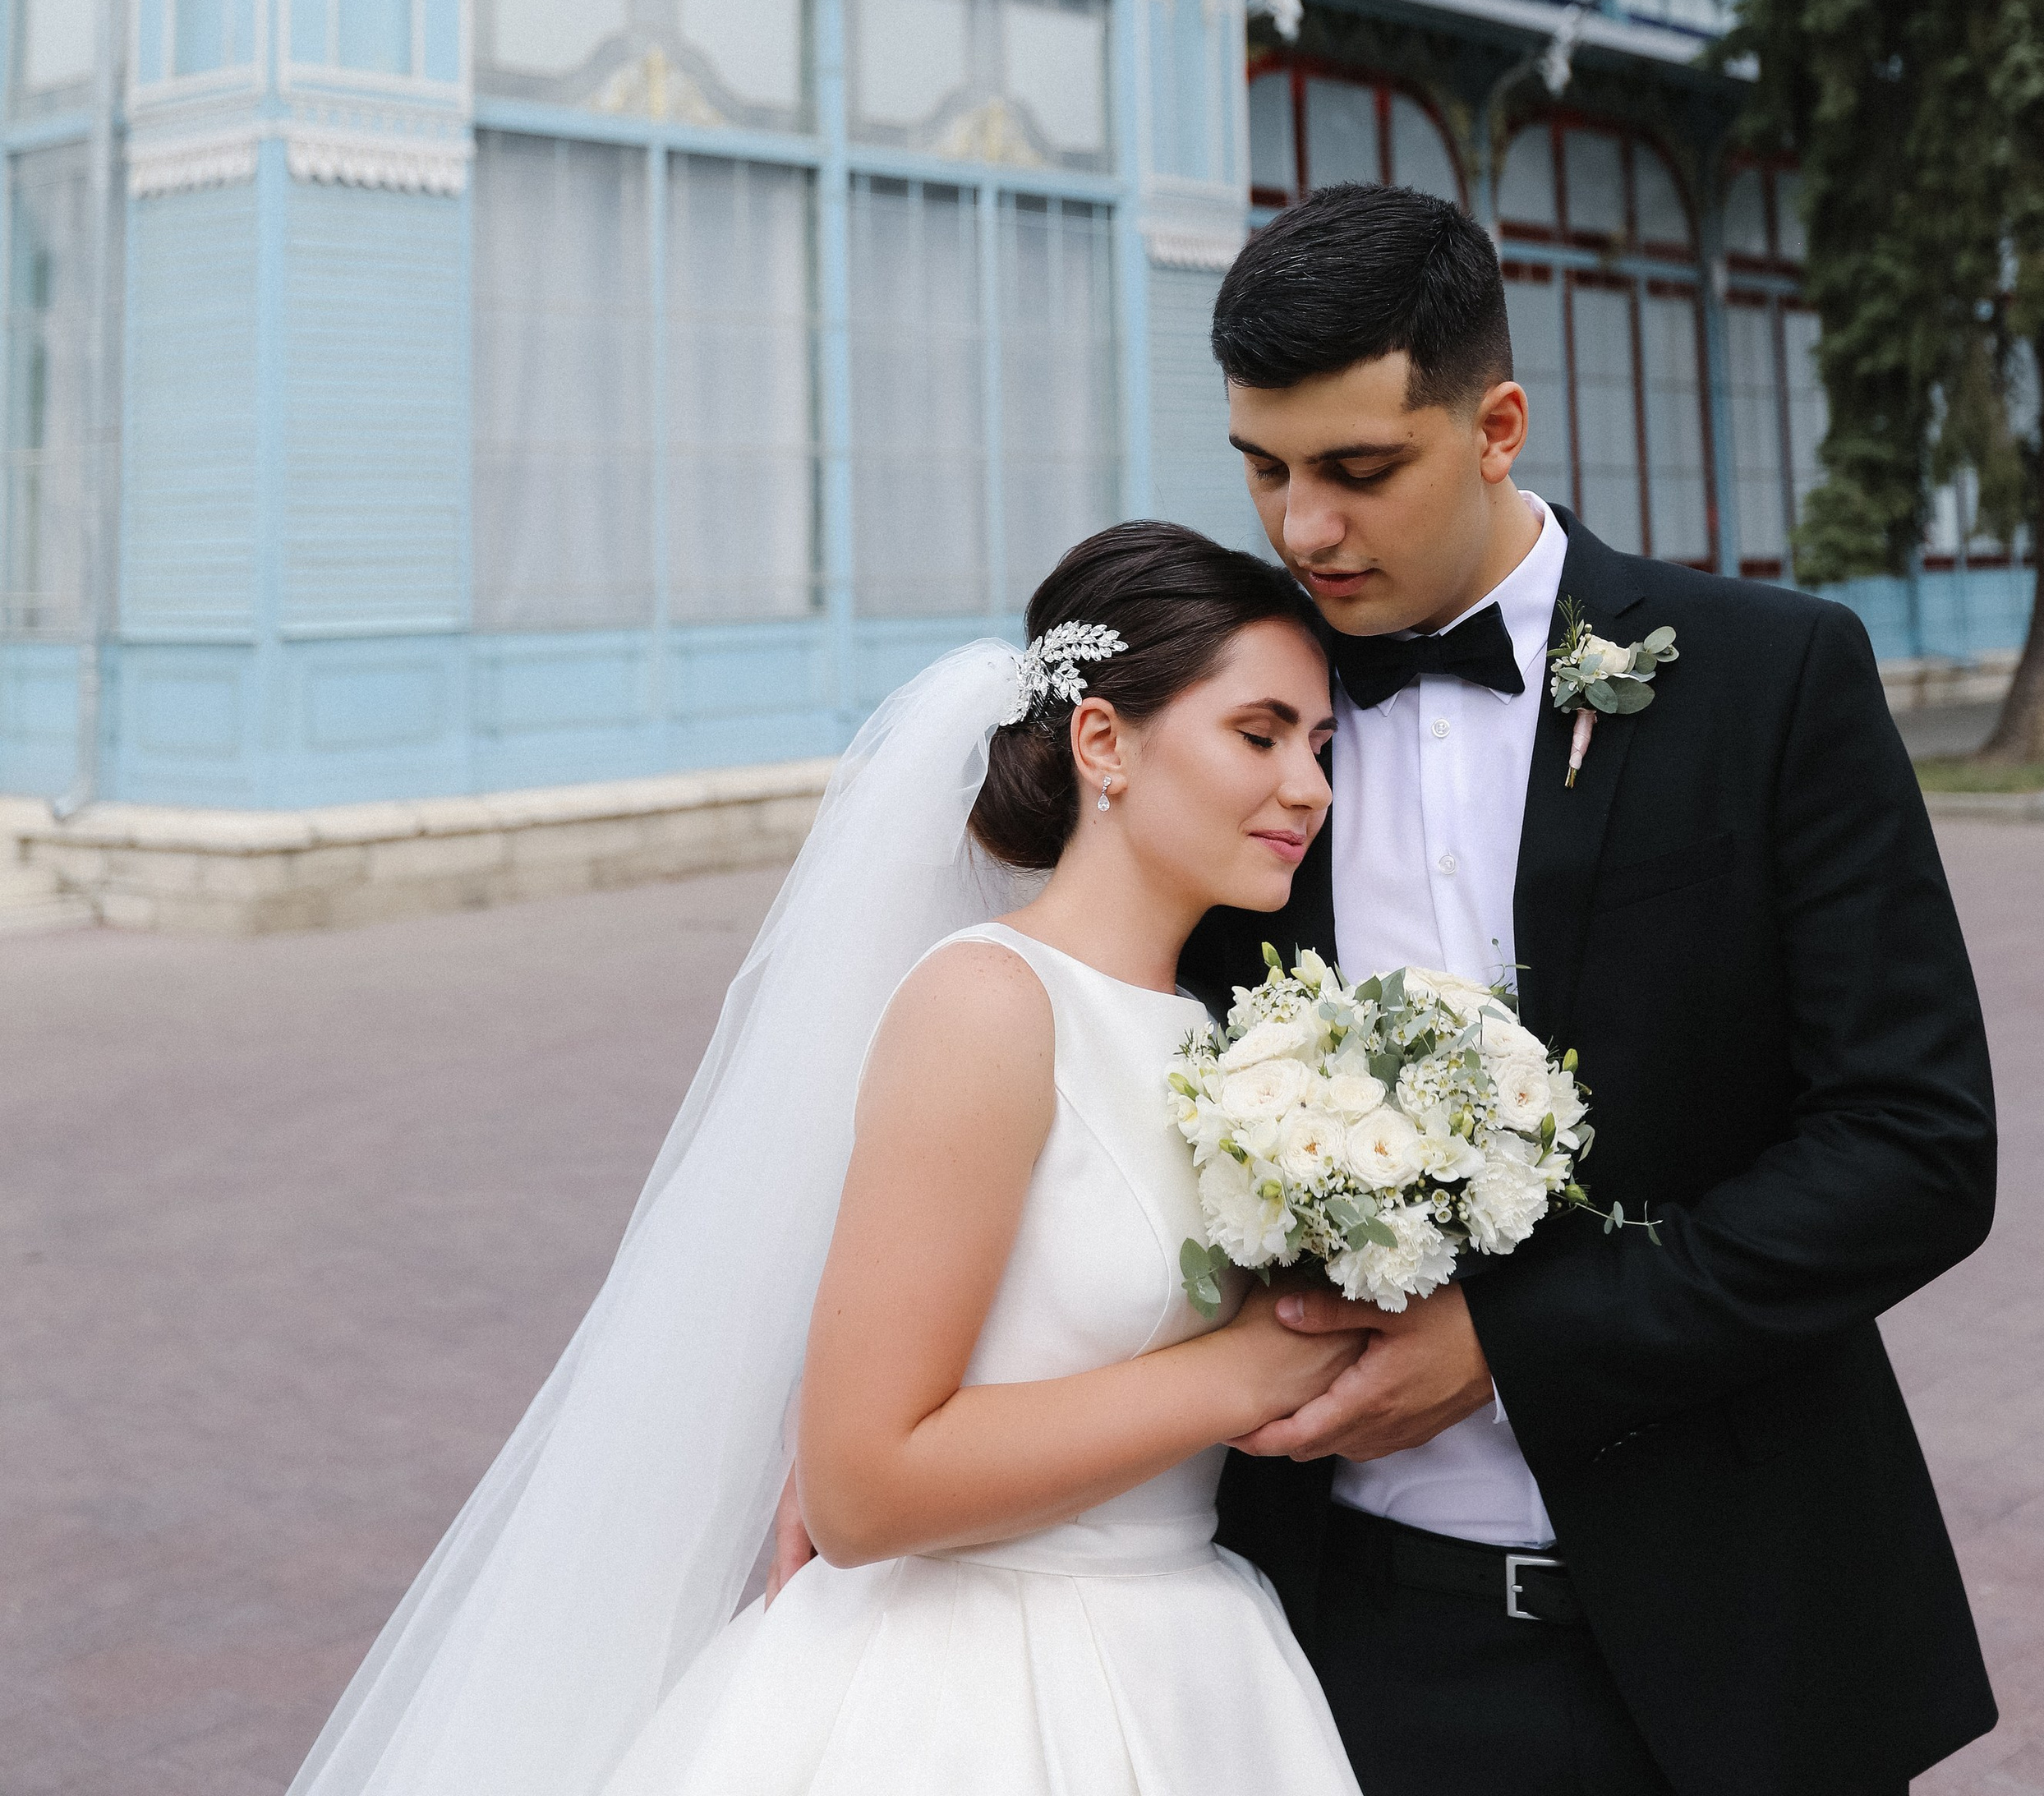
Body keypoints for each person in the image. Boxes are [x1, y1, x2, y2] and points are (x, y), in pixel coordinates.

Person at [287, 524, 1372, 1796]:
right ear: (1102, 744)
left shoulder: (1230, 1048)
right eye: (1261, 734)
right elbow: (861, 1485)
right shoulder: (990, 1006)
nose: (1309, 787)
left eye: (1321, 746)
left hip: (1198, 1675)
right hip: (977, 1692)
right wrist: (1247, 1370)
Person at [1179, 180, 1998, 1796]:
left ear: (1495, 425)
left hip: (1728, 1648)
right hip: (1336, 1650)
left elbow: (1912, 1150)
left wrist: (1511, 1342)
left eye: (1355, 471)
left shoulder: (1769, 675)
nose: (1300, 532)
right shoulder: (1225, 711)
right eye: (1262, 472)